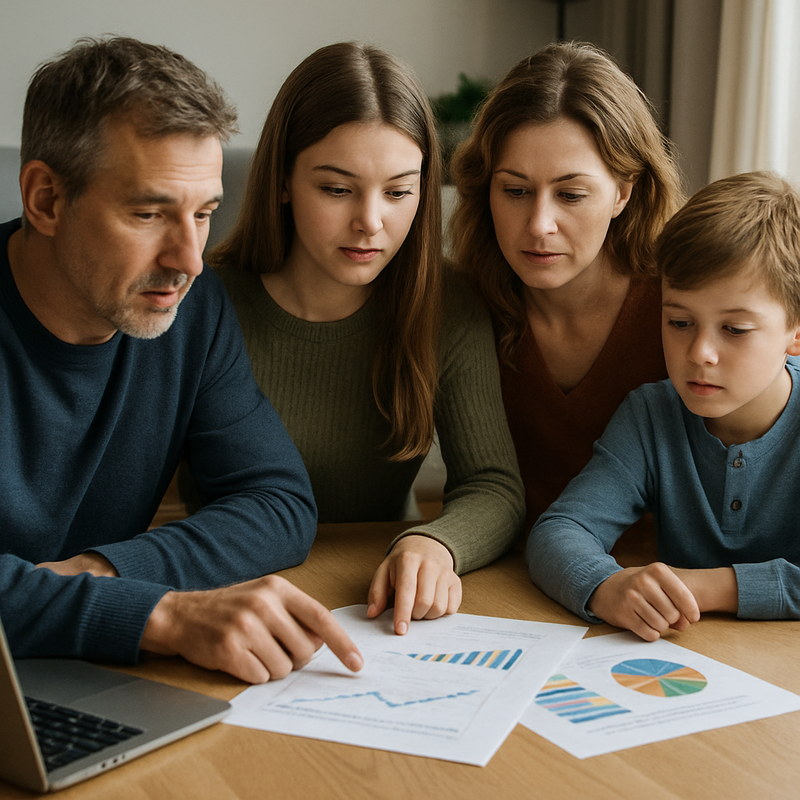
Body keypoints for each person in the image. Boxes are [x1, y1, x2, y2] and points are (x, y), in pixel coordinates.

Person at [1, 36, 363, 684]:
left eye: (204, 213)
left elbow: (277, 504)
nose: (191, 260)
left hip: (76, 675)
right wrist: (159, 615)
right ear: (46, 200)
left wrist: (104, 574)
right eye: (149, 213)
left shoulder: (191, 313)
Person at [208, 42, 525, 635]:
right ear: (282, 181)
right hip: (234, 600)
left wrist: (436, 545)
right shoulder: (206, 304)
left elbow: (493, 485)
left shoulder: (449, 306)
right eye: (336, 189)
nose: (371, 222)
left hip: (373, 603)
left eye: (399, 192)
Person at [527, 171, 800, 640]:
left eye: (734, 329)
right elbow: (560, 531)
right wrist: (607, 585)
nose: (699, 353)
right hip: (687, 660)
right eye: (679, 322)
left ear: (795, 332)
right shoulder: (650, 415)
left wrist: (710, 587)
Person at [450, 41, 684, 530]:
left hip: (665, 585)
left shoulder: (684, 305)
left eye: (571, 195)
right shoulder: (464, 303)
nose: (539, 225)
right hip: (509, 575)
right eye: (515, 190)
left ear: (624, 191)